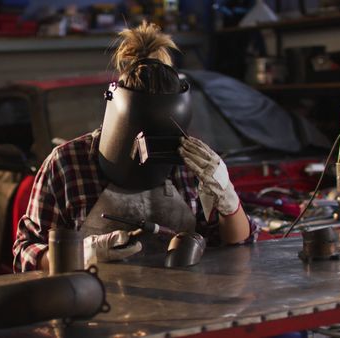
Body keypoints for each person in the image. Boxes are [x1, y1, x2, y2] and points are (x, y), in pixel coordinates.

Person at [13, 21, 257, 273]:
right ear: (120, 116)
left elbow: (236, 242)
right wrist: (82, 254)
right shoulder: (66, 164)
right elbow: (25, 253)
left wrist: (228, 199)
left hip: (183, 305)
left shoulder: (191, 163)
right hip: (94, 305)